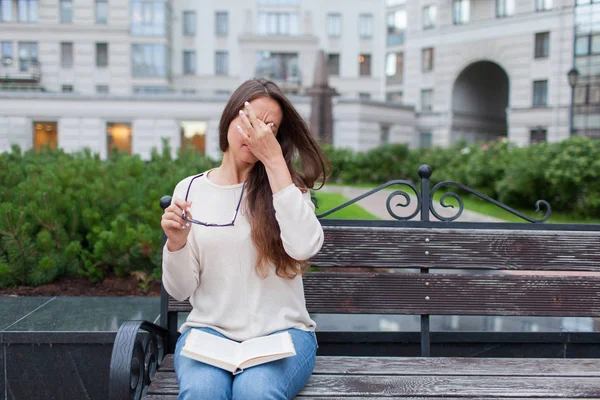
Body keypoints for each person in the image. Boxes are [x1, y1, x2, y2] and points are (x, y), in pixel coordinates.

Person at [160, 78, 330, 399]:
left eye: (269, 129)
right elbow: (181, 290)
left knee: (256, 391)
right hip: (210, 335)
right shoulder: (191, 189)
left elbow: (305, 246)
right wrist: (176, 244)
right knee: (201, 392)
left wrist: (275, 161)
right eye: (248, 120)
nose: (255, 133)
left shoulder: (286, 189)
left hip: (282, 335)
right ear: (229, 119)